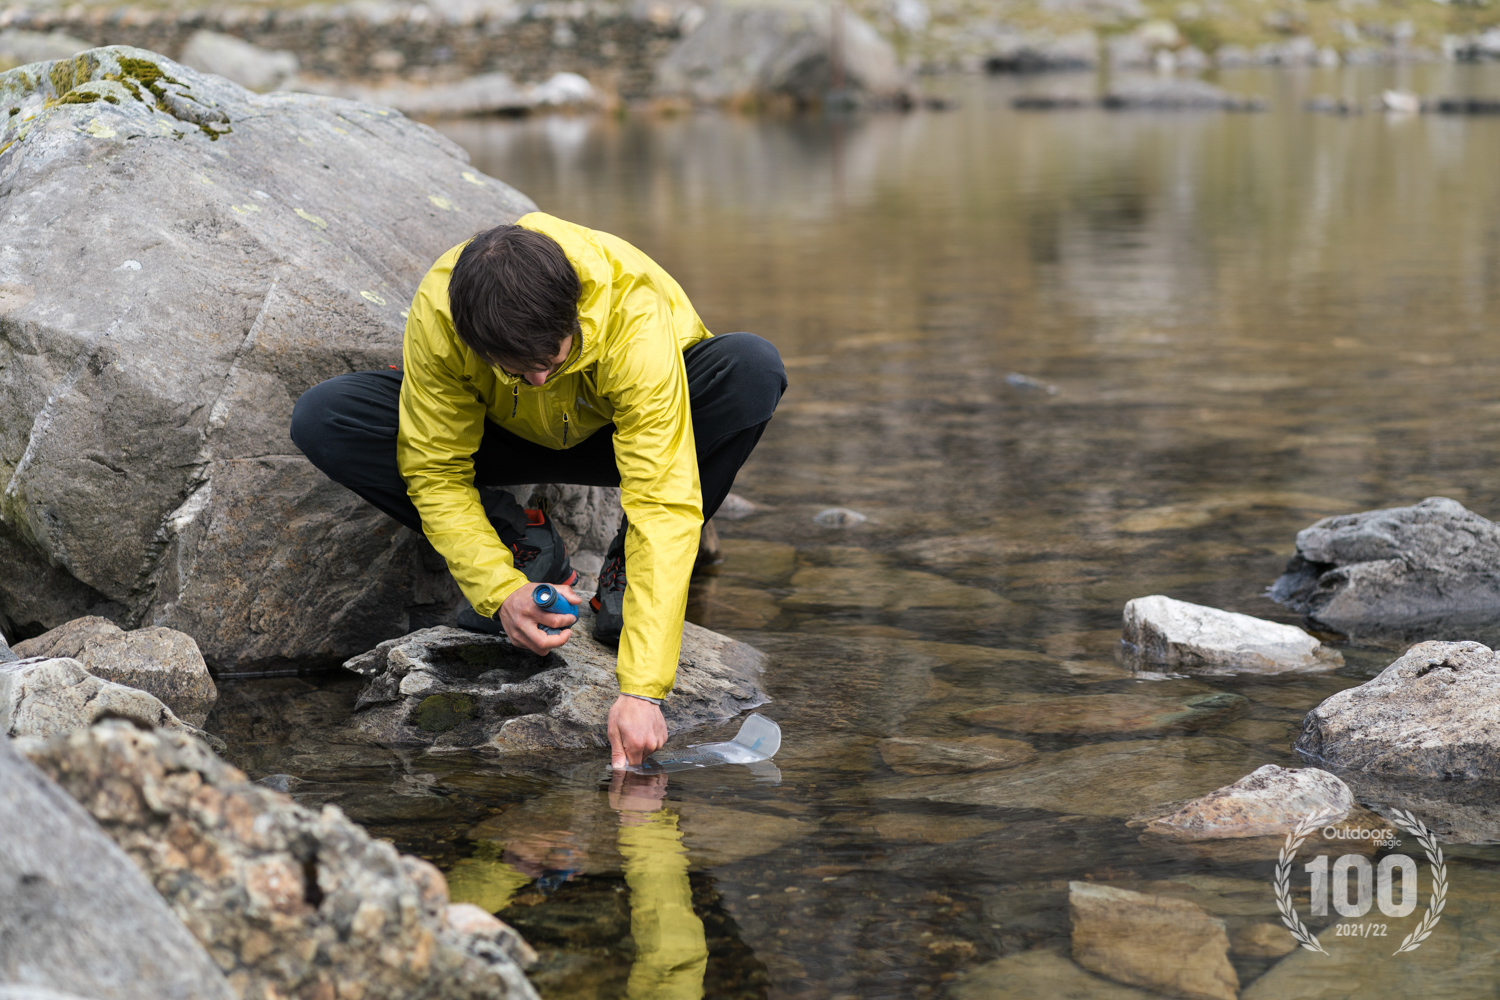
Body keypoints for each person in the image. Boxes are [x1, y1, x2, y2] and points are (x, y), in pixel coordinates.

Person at [290, 213, 786, 767]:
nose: (540, 380)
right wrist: (500, 589)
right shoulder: (443, 312)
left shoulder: (630, 308)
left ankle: (620, 574)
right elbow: (435, 470)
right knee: (326, 416)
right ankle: (522, 543)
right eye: (518, 368)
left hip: (614, 428)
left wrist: (642, 690)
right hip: (502, 431)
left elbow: (663, 500)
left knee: (752, 369)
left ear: (573, 314)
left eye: (550, 362)